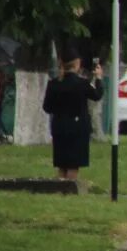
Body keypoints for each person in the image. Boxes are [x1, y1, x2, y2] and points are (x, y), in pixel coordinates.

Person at [43, 52, 103, 185]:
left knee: (62, 163)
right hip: (78, 128)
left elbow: (47, 107)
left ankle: (59, 189)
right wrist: (98, 78)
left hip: (59, 127)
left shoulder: (54, 84)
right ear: (77, 64)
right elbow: (97, 95)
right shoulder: (81, 83)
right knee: (73, 164)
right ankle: (69, 189)